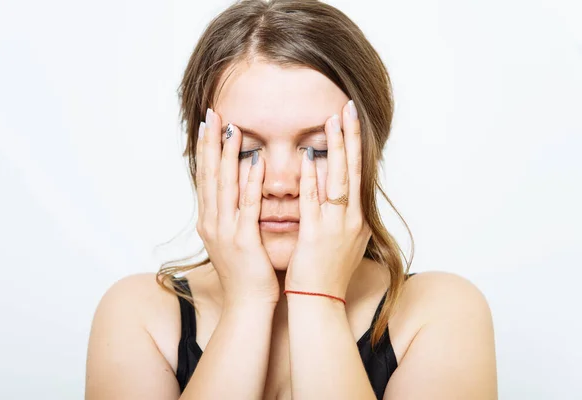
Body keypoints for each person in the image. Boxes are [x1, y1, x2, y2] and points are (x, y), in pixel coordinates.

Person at [85, 1, 497, 399]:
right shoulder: (138, 317)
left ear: (369, 154)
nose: (280, 183)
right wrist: (247, 302)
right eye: (245, 150)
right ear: (201, 156)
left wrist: (318, 297)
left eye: (318, 148)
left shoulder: (441, 312)